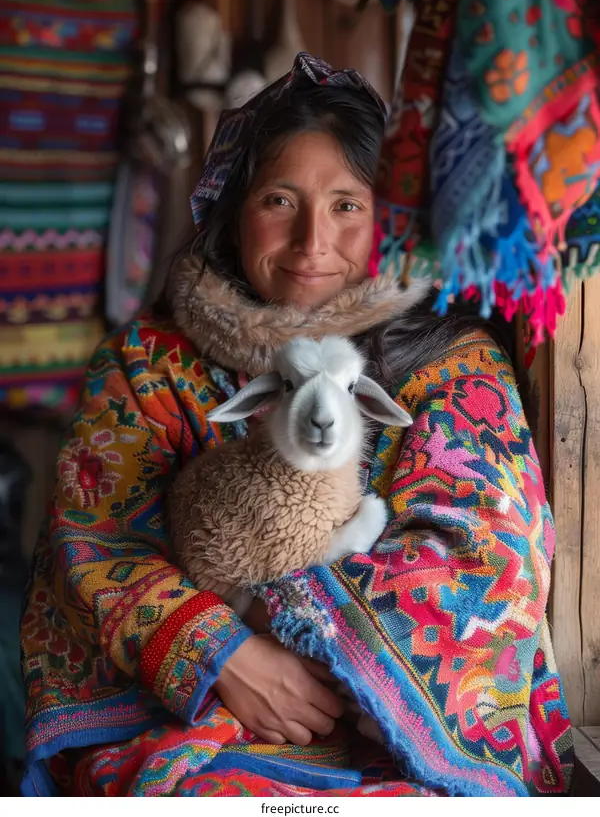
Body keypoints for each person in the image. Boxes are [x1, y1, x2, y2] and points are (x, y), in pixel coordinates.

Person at [20, 54, 572, 797]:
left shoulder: (448, 362)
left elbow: (489, 547)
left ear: (389, 219)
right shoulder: (151, 362)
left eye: (348, 203)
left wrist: (315, 649)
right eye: (280, 199)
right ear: (231, 209)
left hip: (397, 734)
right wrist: (226, 652)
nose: (313, 240)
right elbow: (93, 533)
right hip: (195, 710)